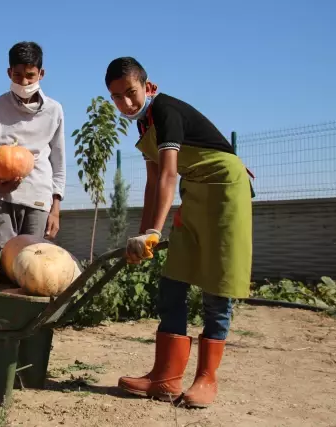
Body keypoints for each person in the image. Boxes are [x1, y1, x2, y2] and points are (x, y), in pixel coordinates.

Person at [104, 57, 254, 408]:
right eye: (117, 97)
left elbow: (170, 175)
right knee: (174, 281)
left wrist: (156, 228)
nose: (126, 103)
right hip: (196, 191)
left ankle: (206, 380)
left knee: (217, 287)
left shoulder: (166, 111)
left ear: (148, 87)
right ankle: (165, 378)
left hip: (225, 192)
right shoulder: (144, 126)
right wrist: (142, 238)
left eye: (131, 92)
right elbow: (153, 181)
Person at [0, 41, 66, 251]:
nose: (24, 82)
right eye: (18, 75)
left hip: (38, 198)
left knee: (31, 259)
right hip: (0, 198)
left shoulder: (54, 110)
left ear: (41, 74)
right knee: (2, 257)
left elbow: (58, 162)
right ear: (9, 72)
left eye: (30, 75)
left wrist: (55, 209)